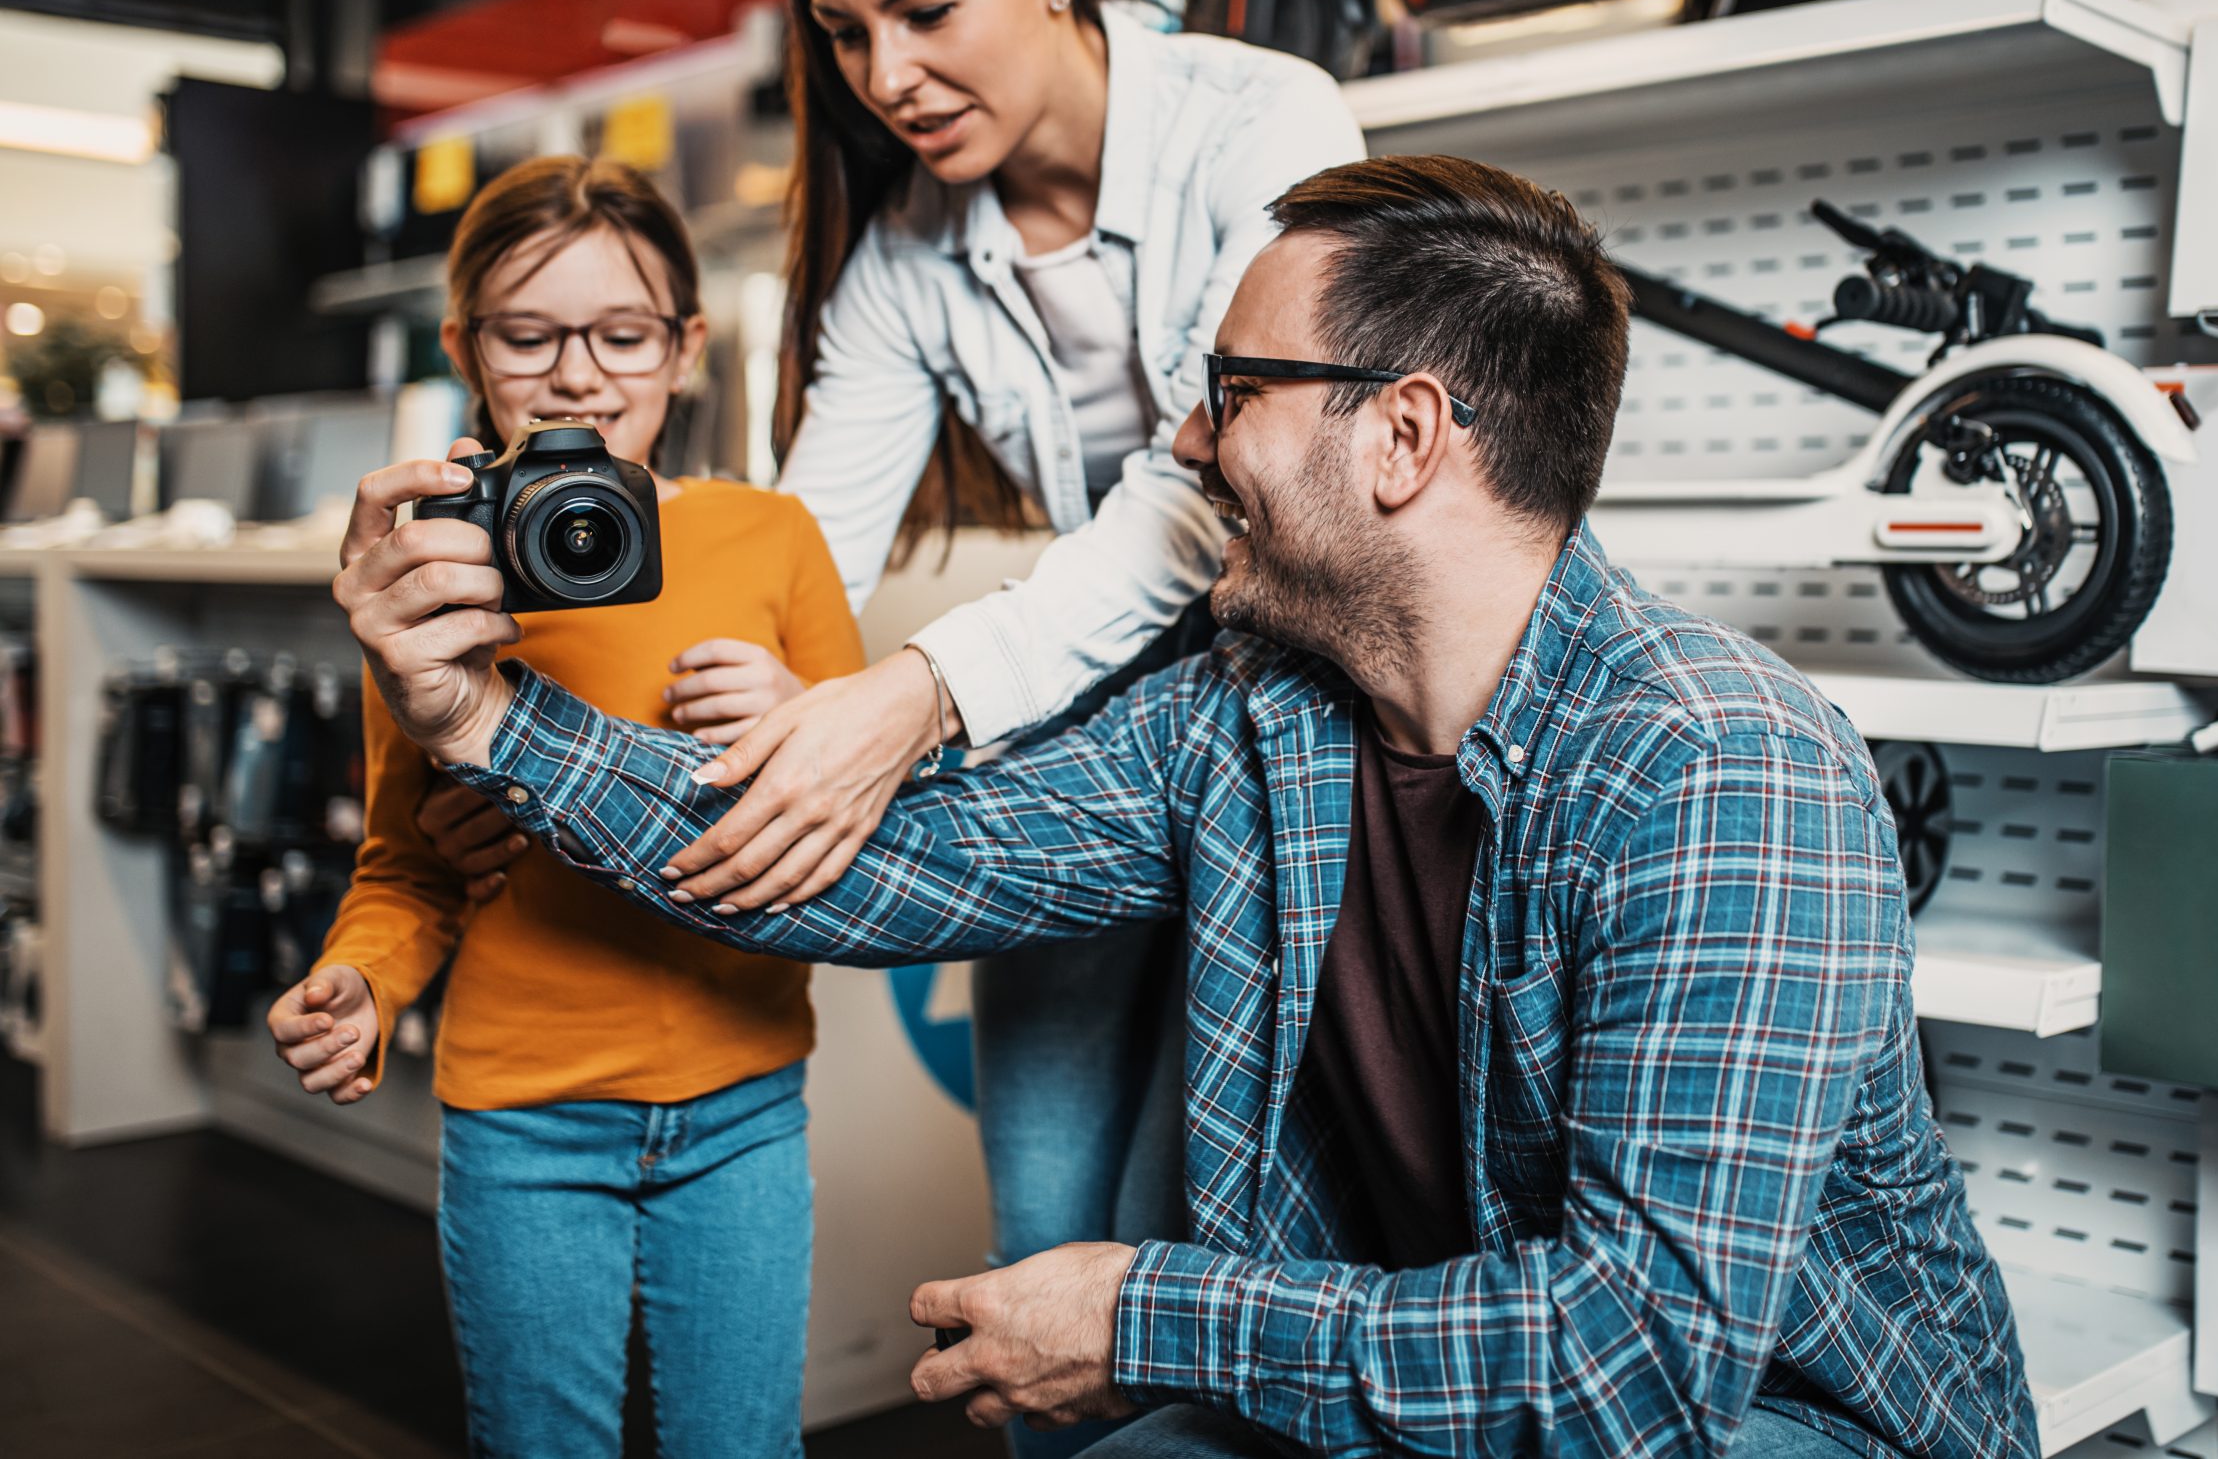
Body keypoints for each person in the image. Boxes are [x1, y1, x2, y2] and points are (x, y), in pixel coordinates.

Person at [337, 153, 2038, 1459]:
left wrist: (1150, 1311)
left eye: (1234, 392)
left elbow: (1632, 1371)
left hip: (1782, 1426)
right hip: (1437, 1376)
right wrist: (481, 719)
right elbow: (896, 865)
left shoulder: (1718, 772)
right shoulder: (1255, 715)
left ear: (1402, 437)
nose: (1187, 438)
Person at [724, 0, 1364, 1429]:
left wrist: (916, 695)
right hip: (1086, 751)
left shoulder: (1267, 121)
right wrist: (732, 684)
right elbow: (807, 551)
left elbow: (1214, 482)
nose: (887, 78)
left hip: (1291, 749)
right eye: (847, 35)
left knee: (1168, 1262)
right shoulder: (904, 261)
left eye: (923, 9)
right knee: (1034, 1255)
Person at [274, 156, 863, 1459]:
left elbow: (873, 836)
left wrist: (799, 720)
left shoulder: (772, 538)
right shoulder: (426, 573)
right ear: (465, 349)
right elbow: (406, 866)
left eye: (624, 334)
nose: (579, 376)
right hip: (523, 1123)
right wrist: (362, 984)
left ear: (686, 347)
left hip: (746, 1104)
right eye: (528, 335)